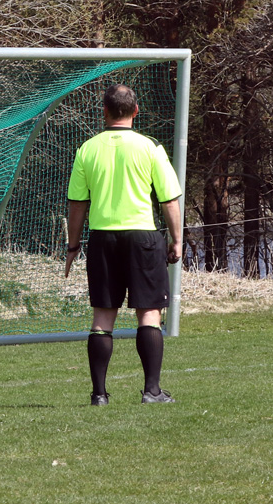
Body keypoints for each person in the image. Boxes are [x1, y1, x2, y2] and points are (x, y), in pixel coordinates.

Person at [64, 84, 183, 406]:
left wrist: (73, 246)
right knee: (149, 314)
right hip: (143, 237)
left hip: (103, 239)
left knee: (103, 317)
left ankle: (99, 395)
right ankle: (152, 391)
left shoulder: (87, 149)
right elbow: (169, 200)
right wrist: (176, 240)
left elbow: (77, 204)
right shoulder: (151, 147)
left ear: (104, 111)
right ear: (136, 110)